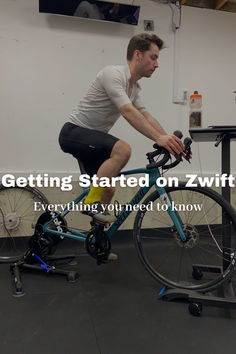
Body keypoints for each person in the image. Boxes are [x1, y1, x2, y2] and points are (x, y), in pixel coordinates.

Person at [59, 33, 185, 224]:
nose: (157, 64)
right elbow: (127, 111)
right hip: (73, 133)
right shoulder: (113, 74)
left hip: (93, 140)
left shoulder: (134, 88)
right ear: (137, 55)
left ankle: (97, 240)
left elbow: (145, 116)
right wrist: (159, 138)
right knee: (123, 149)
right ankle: (90, 202)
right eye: (153, 57)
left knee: (108, 190)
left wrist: (169, 140)